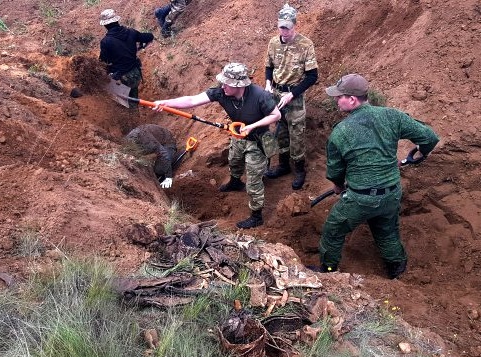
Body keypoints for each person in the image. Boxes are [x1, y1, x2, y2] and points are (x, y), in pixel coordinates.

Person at [316, 74, 439, 279]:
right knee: (387, 230)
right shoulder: (392, 116)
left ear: (352, 100)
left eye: (339, 97)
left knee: (333, 230)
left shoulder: (341, 131)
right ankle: (397, 267)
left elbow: (335, 171)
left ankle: (328, 271)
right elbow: (430, 138)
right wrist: (420, 153)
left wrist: (338, 186)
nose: (336, 100)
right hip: (391, 194)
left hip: (360, 199)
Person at [153, 63, 281, 228]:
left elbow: (275, 115)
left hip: (257, 139)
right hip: (238, 135)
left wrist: (252, 126)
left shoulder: (260, 96)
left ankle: (256, 215)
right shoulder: (222, 92)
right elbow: (192, 100)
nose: (223, 86)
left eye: (227, 83)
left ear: (238, 85)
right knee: (234, 160)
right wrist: (165, 103)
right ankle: (235, 182)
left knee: (254, 178)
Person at [264, 3, 319, 190]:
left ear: (294, 26)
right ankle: (283, 166)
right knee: (280, 132)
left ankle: (299, 169)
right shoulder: (273, 43)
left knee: (297, 134)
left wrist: (292, 94)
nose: (284, 31)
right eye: (281, 27)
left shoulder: (305, 44)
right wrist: (267, 83)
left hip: (294, 97)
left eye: (288, 27)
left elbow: (313, 76)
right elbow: (269, 66)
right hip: (276, 95)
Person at [99, 9, 154, 108]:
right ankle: (133, 113)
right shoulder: (131, 32)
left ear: (105, 25)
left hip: (121, 78)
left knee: (123, 103)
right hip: (135, 73)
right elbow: (149, 36)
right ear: (116, 21)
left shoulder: (106, 42)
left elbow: (103, 61)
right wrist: (142, 44)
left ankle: (130, 118)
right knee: (133, 98)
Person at [125, 124, 177, 189]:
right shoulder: (128, 139)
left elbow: (164, 154)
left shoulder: (147, 140)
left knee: (159, 170)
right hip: (155, 142)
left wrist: (168, 177)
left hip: (168, 144)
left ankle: (163, 169)